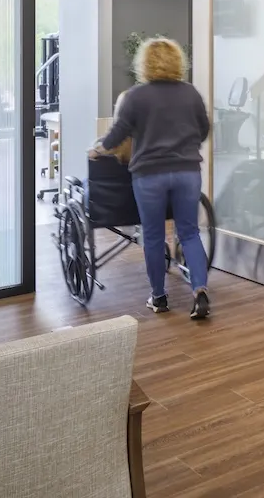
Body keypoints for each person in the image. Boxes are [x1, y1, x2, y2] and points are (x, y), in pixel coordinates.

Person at [92, 37, 212, 319]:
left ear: (144, 64)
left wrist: (98, 150)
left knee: (154, 236)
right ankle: (200, 290)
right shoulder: (190, 93)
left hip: (150, 175)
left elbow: (117, 135)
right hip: (187, 172)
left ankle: (159, 297)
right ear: (177, 62)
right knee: (190, 233)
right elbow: (204, 129)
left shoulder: (136, 96)